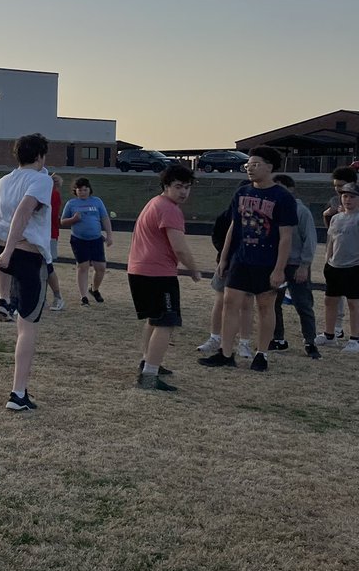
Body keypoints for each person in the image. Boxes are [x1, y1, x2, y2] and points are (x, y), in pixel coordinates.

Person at [199, 146, 297, 373]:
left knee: (265, 307)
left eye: (255, 164)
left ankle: (261, 354)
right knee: (229, 303)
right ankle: (225, 353)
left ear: (270, 167)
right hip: (241, 259)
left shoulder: (282, 197)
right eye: (248, 165)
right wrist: (224, 258)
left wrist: (279, 268)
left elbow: (286, 236)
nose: (250, 169)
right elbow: (234, 226)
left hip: (267, 262)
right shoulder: (242, 192)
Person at [0, 133, 53, 412]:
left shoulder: (4, 180)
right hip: (24, 254)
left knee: (4, 267)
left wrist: (3, 252)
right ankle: (18, 393)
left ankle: (2, 299)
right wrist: (10, 250)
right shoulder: (41, 180)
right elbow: (24, 212)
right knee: (28, 327)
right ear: (40, 155)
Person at [127, 165, 202, 391]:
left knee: (154, 319)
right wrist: (194, 269)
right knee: (166, 323)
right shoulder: (169, 209)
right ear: (166, 186)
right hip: (157, 273)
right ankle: (149, 375)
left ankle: (147, 362)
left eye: (187, 187)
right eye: (178, 187)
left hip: (139, 270)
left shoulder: (154, 203)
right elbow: (179, 248)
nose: (183, 192)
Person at [196, 180, 255, 358]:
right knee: (221, 301)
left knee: (246, 303)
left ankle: (244, 343)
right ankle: (215, 338)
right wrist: (224, 257)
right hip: (228, 263)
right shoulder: (226, 215)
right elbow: (217, 236)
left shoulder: (257, 218)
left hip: (250, 264)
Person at [269, 175, 319, 358]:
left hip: (296, 264)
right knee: (273, 303)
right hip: (277, 265)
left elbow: (310, 240)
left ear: (291, 189)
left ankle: (310, 341)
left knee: (303, 304)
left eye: (281, 187)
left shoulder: (301, 211)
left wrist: (304, 265)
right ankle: (277, 338)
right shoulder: (274, 210)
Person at [316, 181, 359, 352]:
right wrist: (328, 261)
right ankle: (329, 335)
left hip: (354, 266)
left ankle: (355, 339)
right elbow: (331, 240)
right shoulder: (336, 218)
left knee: (354, 303)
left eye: (352, 197)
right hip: (335, 266)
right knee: (329, 300)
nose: (347, 200)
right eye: (345, 196)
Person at [59, 178, 113, 306]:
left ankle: (94, 289)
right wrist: (73, 219)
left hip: (96, 239)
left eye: (85, 189)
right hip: (79, 239)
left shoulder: (97, 201)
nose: (83, 192)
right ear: (75, 191)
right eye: (80, 190)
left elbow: (104, 218)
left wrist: (109, 235)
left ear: (89, 190)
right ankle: (83, 296)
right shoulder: (71, 203)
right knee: (83, 267)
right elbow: (63, 221)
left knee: (101, 267)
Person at [323, 166, 357, 337]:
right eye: (336, 186)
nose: (339, 189)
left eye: (342, 185)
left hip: (353, 259)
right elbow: (332, 228)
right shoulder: (336, 200)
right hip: (336, 255)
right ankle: (335, 328)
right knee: (333, 297)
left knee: (353, 299)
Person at [45, 172, 66, 311]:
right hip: (46, 234)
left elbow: (52, 216)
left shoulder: (53, 194)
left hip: (48, 234)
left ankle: (57, 297)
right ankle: (44, 297)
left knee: (47, 267)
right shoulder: (52, 194)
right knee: (43, 267)